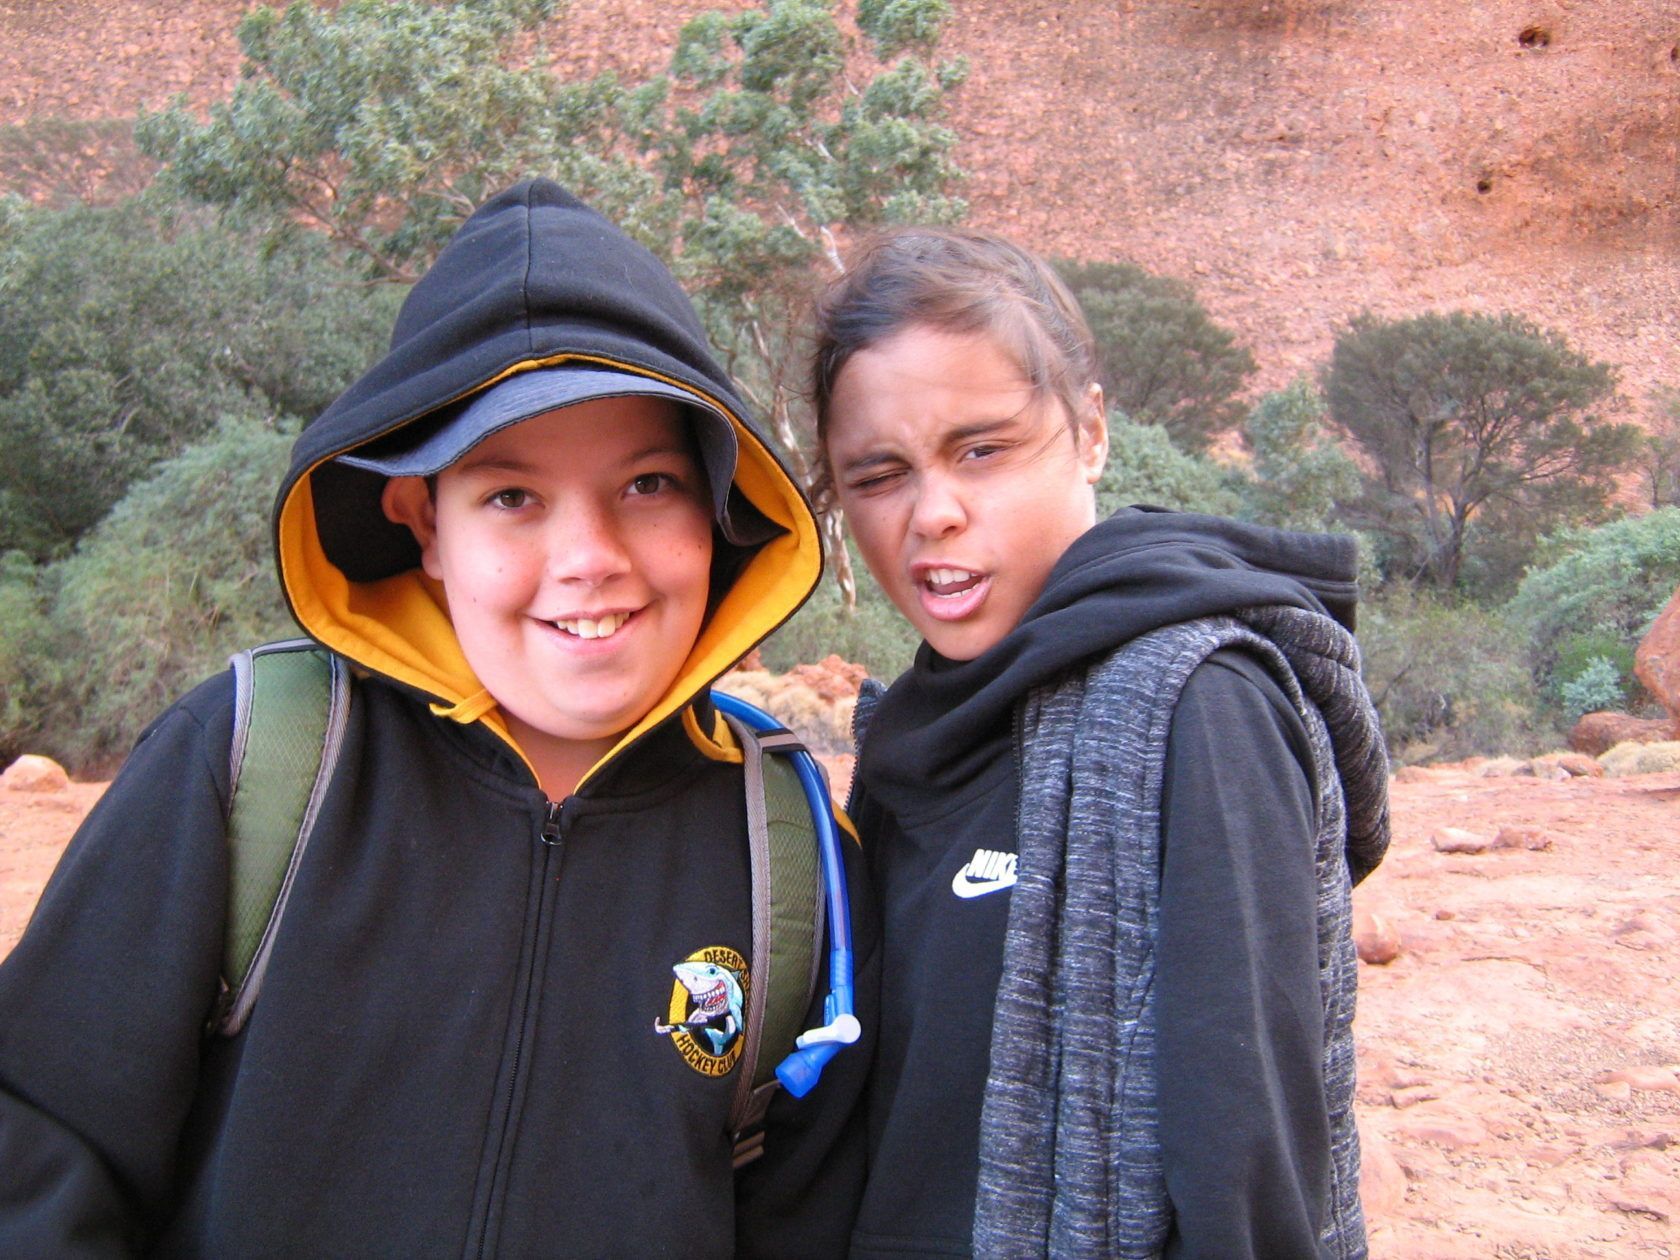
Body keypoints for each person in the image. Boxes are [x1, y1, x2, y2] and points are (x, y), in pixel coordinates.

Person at [0, 180, 876, 1257]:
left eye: (647, 484)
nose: (589, 558)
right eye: (511, 498)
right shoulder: (256, 765)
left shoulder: (784, 845)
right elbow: (43, 1139)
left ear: (714, 504)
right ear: (422, 524)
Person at [810, 228, 1389, 1259]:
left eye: (981, 449)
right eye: (878, 473)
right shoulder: (911, 734)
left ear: (1089, 434)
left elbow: (1245, 1151)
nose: (932, 513)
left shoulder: (1192, 702)